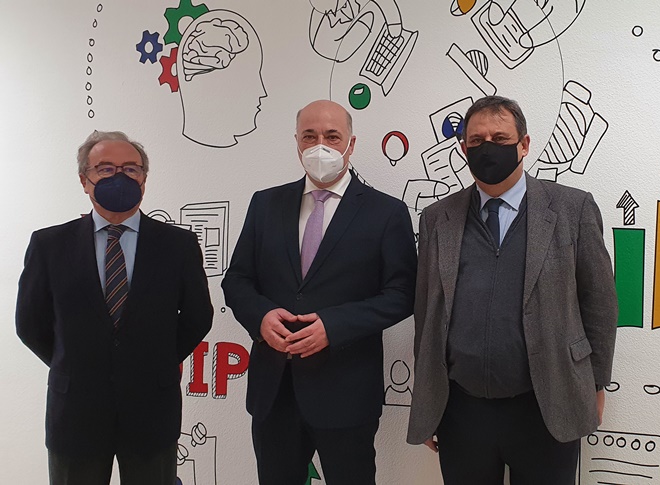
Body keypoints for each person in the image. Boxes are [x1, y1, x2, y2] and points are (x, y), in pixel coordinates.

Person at [406, 96, 618, 484]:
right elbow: (427, 313)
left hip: (548, 405)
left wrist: (596, 382)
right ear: (463, 148)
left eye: (500, 138)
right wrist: (427, 401)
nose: (487, 148)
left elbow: (600, 302)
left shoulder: (573, 209)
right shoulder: (437, 218)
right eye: (476, 140)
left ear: (524, 144)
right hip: (462, 410)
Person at [222, 99, 416, 484]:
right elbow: (237, 279)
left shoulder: (386, 212)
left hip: (347, 393)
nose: (320, 145)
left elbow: (403, 293)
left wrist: (334, 326)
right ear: (296, 141)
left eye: (332, 136)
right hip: (274, 392)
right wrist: (261, 317)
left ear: (351, 144)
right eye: (309, 136)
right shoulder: (265, 204)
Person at [15, 130, 214, 485]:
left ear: (144, 180)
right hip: (75, 412)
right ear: (84, 180)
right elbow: (30, 323)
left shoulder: (178, 245)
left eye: (130, 169)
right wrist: (72, 361)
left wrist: (156, 360)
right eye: (105, 169)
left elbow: (198, 316)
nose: (119, 177)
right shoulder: (49, 245)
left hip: (152, 411)